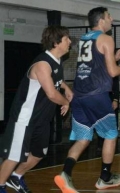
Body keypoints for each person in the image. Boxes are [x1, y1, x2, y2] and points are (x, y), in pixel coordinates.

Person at [54, 7, 120, 193]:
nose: (111, 19)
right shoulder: (106, 38)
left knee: (83, 139)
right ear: (101, 21)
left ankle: (65, 174)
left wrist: (114, 58)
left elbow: (96, 66)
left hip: (79, 95)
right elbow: (113, 72)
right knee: (111, 134)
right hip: (96, 95)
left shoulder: (84, 39)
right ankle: (105, 177)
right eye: (109, 16)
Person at [0, 26, 73, 193]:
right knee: (14, 156)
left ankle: (16, 177)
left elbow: (56, 80)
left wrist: (66, 87)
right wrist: (66, 102)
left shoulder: (56, 62)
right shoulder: (42, 64)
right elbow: (52, 94)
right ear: (56, 43)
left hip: (42, 119)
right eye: (66, 39)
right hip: (25, 118)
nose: (70, 41)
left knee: (39, 153)